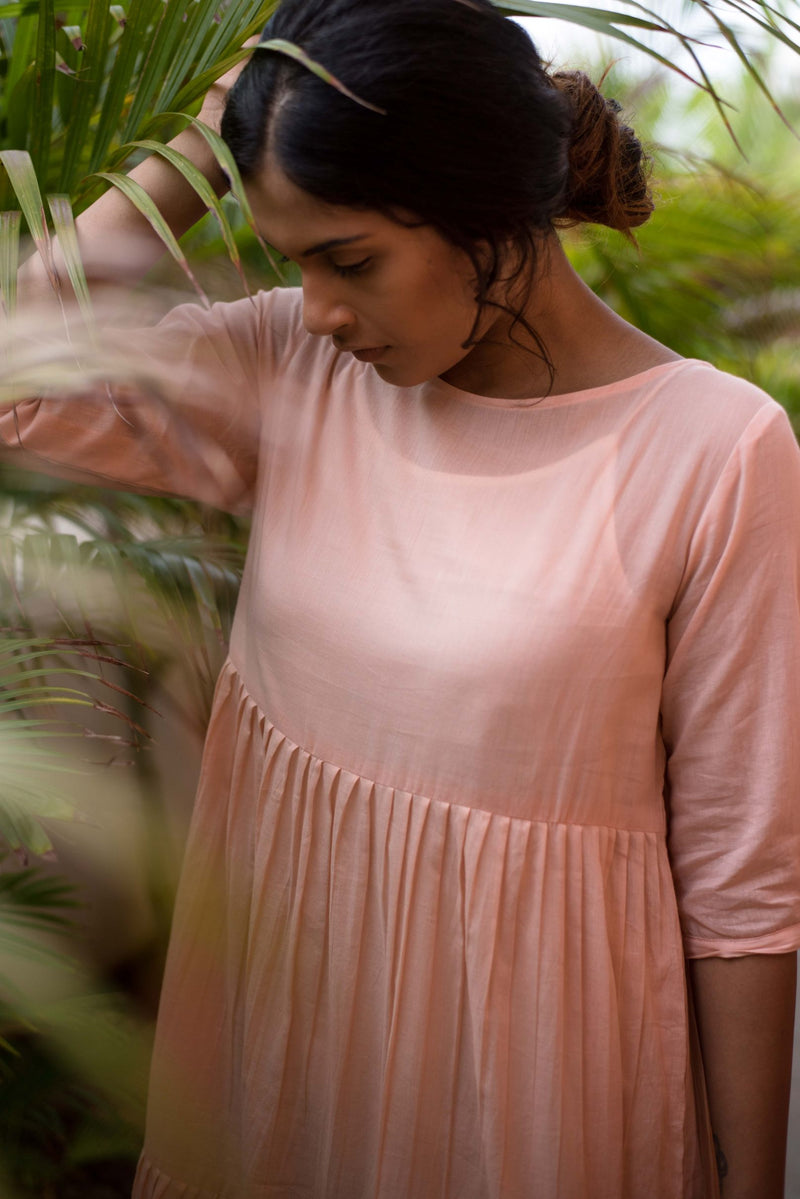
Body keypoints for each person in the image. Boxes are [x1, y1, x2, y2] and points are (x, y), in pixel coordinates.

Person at [4, 1, 799, 1196]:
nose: (320, 307)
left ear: (484, 206)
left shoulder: (715, 449)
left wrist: (745, 1182)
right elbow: (25, 382)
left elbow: (743, 881)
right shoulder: (290, 367)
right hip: (288, 1035)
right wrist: (225, 125)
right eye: (296, 262)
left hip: (536, 1078)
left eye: (351, 257)